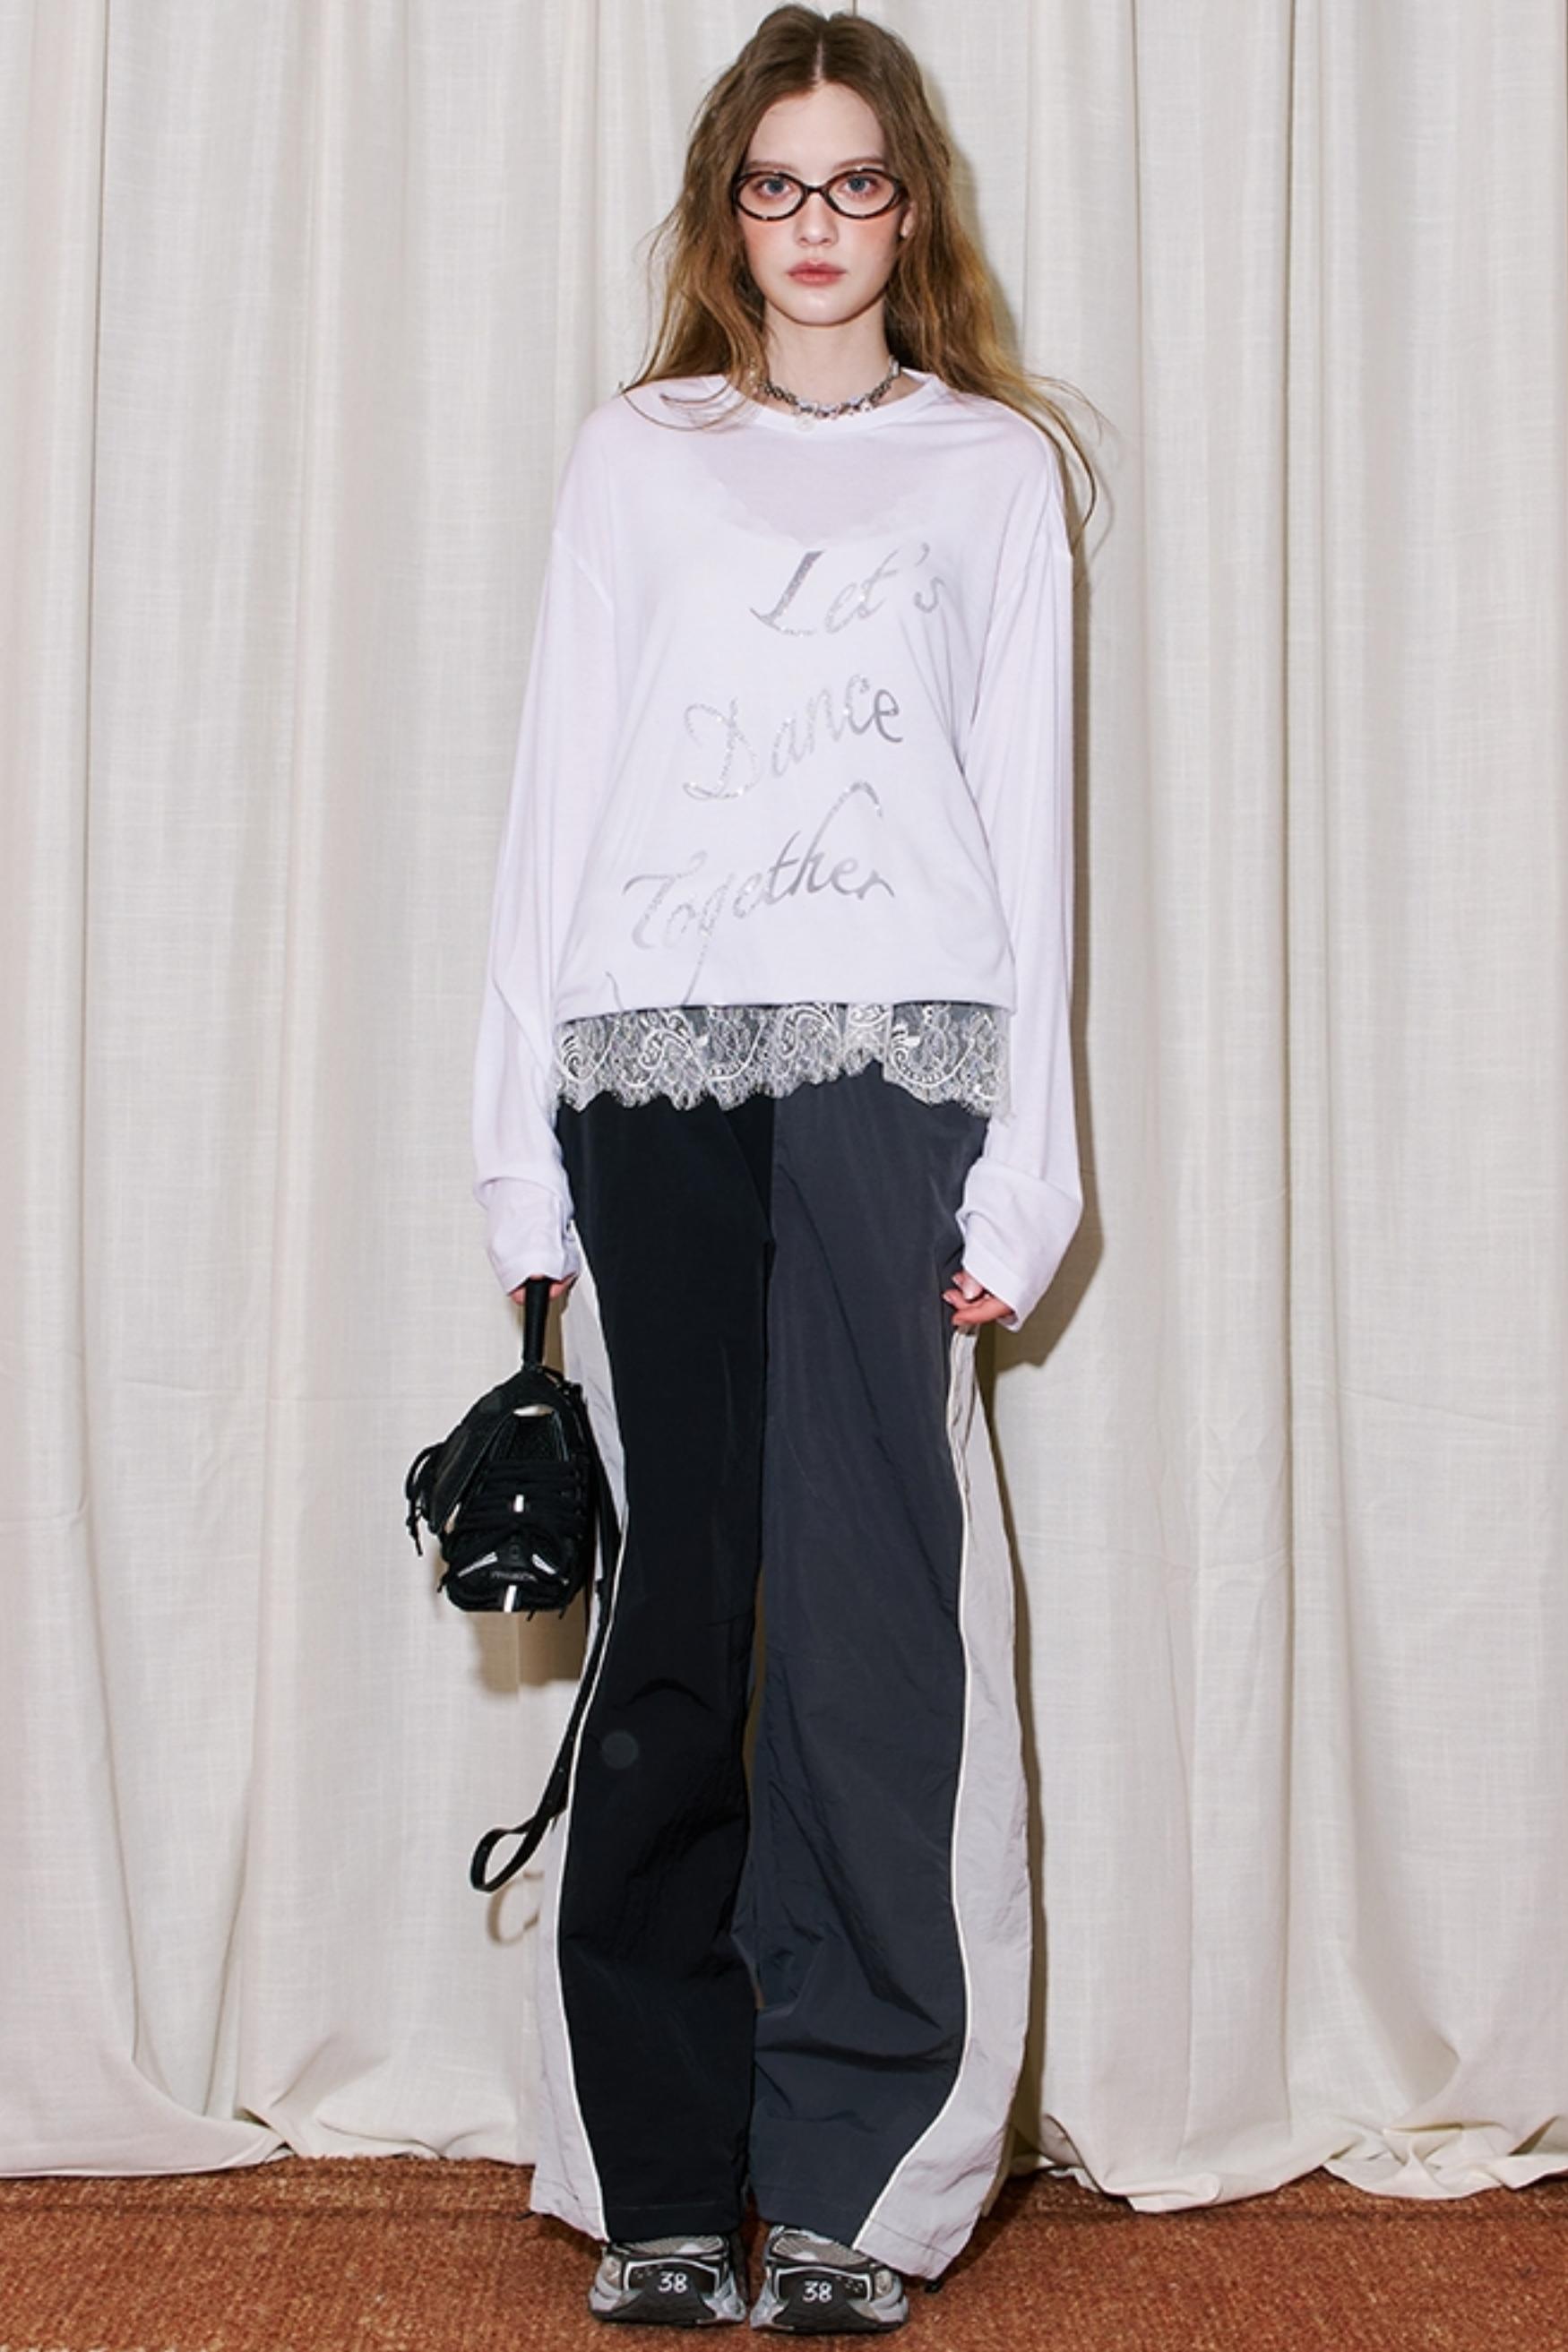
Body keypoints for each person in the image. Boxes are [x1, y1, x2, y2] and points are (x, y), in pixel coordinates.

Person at [470, 4, 1094, 2330]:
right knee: (677, 1611)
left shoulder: (991, 471)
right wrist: (515, 1162)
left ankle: (846, 2174)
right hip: (648, 1072)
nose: (816, 225)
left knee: (866, 1625)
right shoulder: (638, 457)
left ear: (909, 210)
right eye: (774, 186)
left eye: (855, 184)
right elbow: (556, 800)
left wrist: (1028, 1178)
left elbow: (1030, 826)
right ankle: (660, 2170)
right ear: (725, 215)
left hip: (896, 1073)